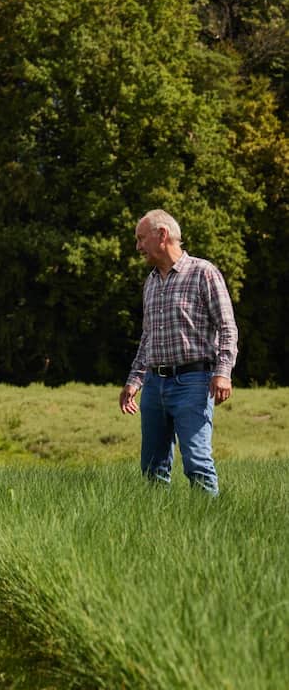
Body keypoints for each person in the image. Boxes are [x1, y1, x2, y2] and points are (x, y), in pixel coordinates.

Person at [118, 209, 238, 496]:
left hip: (193, 383)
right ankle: (159, 528)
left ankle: (211, 527)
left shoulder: (203, 272)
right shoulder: (150, 282)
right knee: (152, 468)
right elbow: (148, 338)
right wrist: (135, 380)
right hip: (155, 384)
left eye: (140, 238)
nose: (138, 246)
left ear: (162, 235)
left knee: (196, 462)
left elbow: (227, 327)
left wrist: (223, 373)